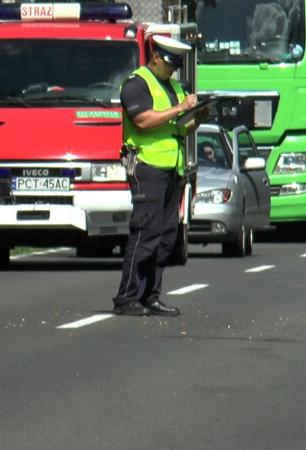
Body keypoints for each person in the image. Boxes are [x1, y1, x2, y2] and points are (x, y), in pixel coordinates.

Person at [112, 35, 206, 317]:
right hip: (147, 167)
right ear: (155, 56)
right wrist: (179, 108)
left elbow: (178, 128)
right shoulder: (136, 84)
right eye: (169, 63)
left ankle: (150, 296)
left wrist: (197, 117)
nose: (173, 70)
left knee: (166, 237)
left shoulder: (174, 86)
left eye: (177, 66)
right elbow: (143, 121)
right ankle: (126, 297)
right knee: (145, 233)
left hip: (172, 169)